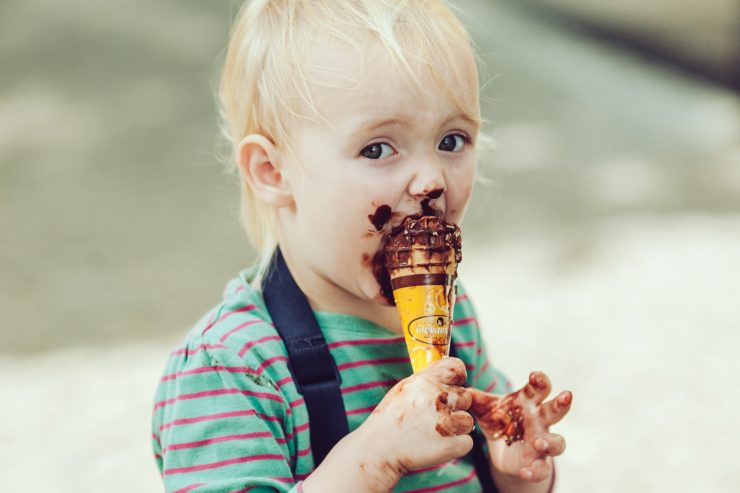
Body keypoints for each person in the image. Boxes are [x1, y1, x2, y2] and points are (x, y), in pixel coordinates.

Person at [151, 1, 573, 492]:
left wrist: (513, 468)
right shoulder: (234, 367)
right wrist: (375, 458)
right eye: (377, 148)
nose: (431, 180)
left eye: (452, 140)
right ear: (273, 173)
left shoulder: (452, 317)